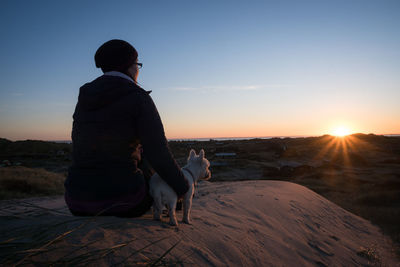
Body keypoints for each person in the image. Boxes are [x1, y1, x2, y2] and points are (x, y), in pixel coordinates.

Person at [64, 39, 189, 217]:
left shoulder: (85, 97)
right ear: (130, 66)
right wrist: (182, 188)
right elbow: (158, 151)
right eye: (137, 65)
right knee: (146, 152)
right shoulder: (138, 97)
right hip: (127, 202)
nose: (138, 70)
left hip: (77, 202)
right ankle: (168, 202)